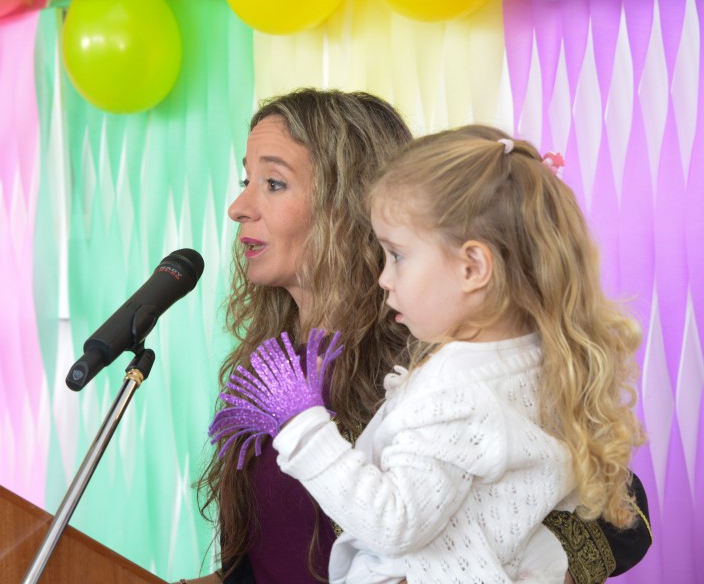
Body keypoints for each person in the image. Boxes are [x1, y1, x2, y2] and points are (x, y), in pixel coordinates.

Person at [180, 92, 651, 584]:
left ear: (349, 206)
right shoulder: (271, 369)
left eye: (273, 183)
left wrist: (505, 566)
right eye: (245, 180)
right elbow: (276, 555)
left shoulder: (438, 359)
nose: (238, 207)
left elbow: (625, 517)